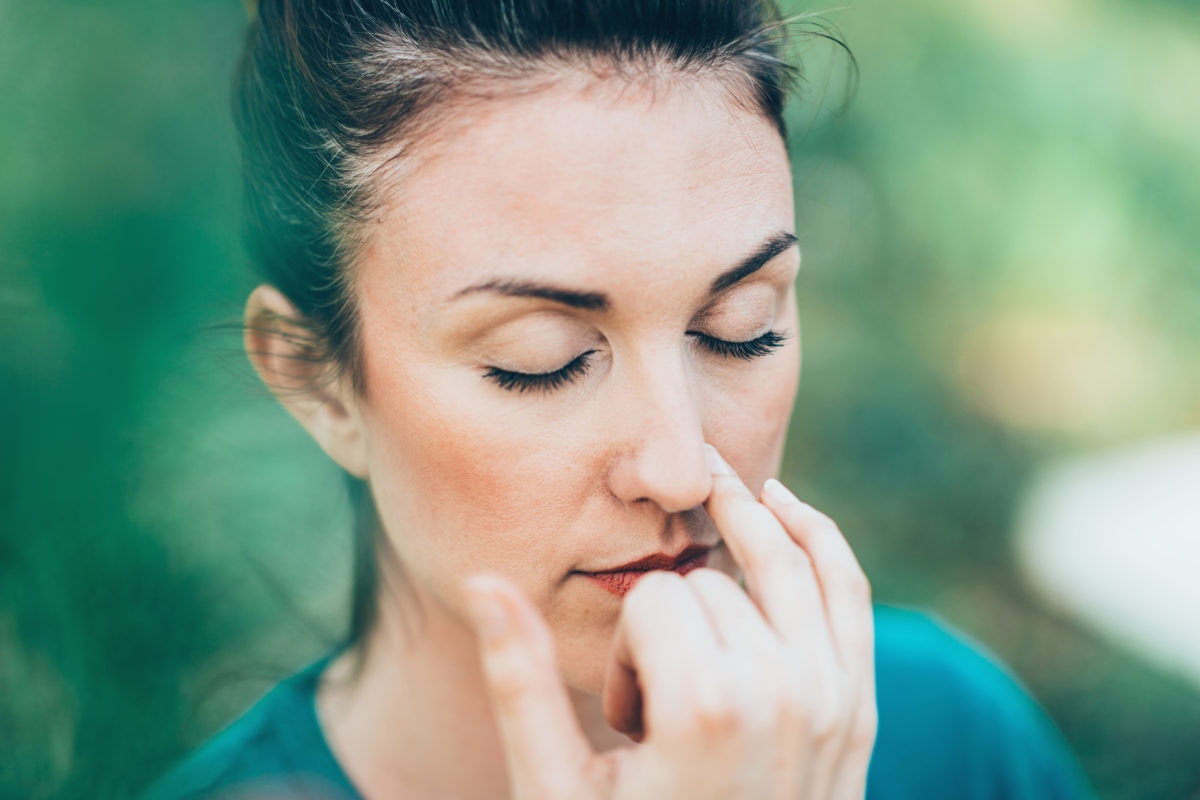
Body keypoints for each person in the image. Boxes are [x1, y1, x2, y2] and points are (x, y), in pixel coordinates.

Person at [145, 1, 1094, 798]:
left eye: (741, 327)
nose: (680, 467)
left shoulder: (949, 739)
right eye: (541, 360)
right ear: (320, 382)